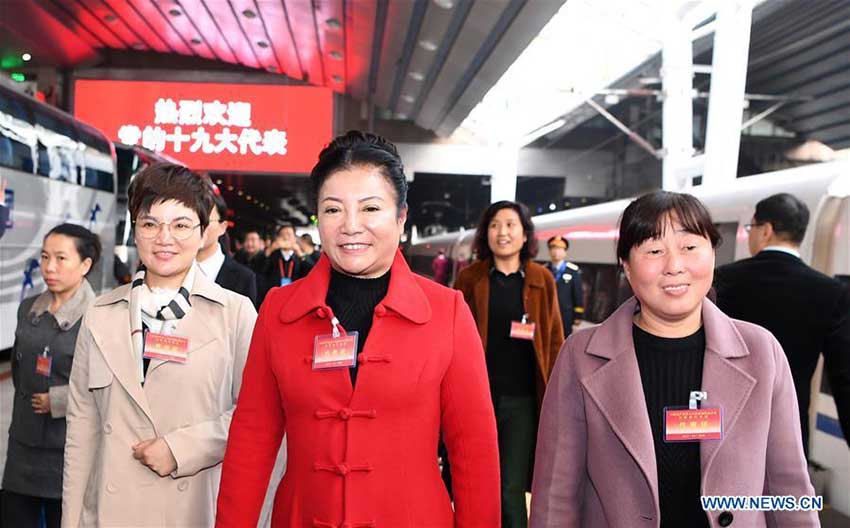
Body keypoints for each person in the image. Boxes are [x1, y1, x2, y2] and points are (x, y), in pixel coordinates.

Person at [216, 130, 499, 527]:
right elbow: (252, 440)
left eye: (370, 209)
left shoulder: (446, 312)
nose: (350, 226)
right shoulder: (280, 311)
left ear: (400, 217)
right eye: (333, 210)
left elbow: (474, 452)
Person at [531, 191, 816, 527]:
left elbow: (790, 487)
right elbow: (556, 495)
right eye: (654, 250)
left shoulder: (762, 353)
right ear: (625, 264)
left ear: (713, 252)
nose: (674, 266)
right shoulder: (581, 357)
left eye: (690, 247)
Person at [62, 163, 257, 527]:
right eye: (150, 224)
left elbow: (253, 416)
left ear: (203, 234)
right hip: (108, 513)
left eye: (181, 225)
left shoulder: (234, 314)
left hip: (189, 506)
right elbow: (82, 429)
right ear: (135, 232)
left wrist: (182, 448)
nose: (164, 238)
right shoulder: (100, 314)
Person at [454, 200, 564, 528]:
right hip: (477, 401)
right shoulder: (470, 279)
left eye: (511, 224)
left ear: (524, 233)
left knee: (510, 488)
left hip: (522, 402)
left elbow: (556, 338)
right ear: (485, 233)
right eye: (494, 225)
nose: (502, 232)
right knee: (474, 482)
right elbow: (454, 341)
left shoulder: (541, 280)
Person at [714, 192, 850, 454]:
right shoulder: (831, 292)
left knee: (725, 495)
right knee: (783, 493)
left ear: (766, 230)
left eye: (751, 227)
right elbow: (844, 377)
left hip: (726, 428)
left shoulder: (725, 279)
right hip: (790, 434)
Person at [2, 224, 100, 528]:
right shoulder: (29, 308)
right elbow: (20, 370)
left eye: (60, 258)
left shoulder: (98, 317)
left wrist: (58, 399)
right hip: (23, 446)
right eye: (45, 257)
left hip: (68, 450)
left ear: (85, 265)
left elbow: (106, 387)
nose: (49, 267)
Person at [197, 187, 258, 305]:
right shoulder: (173, 270)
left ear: (223, 227)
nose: (199, 227)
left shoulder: (244, 278)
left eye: (206, 221)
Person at [545, 235, 584, 337]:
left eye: (559, 249)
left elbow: (578, 294)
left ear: (565, 252)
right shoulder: (544, 270)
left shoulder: (573, 271)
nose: (556, 252)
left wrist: (578, 315)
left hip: (565, 315)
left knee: (563, 340)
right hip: (546, 313)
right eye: (553, 248)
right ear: (549, 251)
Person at [264, 223, 312, 288]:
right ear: (277, 238)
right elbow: (261, 270)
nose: (286, 238)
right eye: (282, 235)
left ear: (295, 238)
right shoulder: (273, 254)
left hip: (296, 293)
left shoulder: (300, 256)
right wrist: (270, 249)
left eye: (289, 235)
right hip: (275, 292)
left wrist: (300, 253)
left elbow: (311, 272)